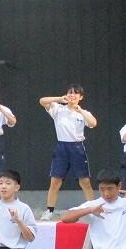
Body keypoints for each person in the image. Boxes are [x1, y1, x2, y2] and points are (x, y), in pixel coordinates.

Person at [39, 85, 97, 220]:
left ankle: (93, 209)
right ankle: (49, 210)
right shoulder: (58, 109)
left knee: (85, 181)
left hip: (77, 147)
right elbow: (42, 101)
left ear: (81, 97)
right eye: (70, 93)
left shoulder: (83, 112)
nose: (72, 95)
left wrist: (80, 110)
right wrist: (59, 99)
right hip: (62, 147)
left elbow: (93, 123)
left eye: (76, 93)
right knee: (55, 181)